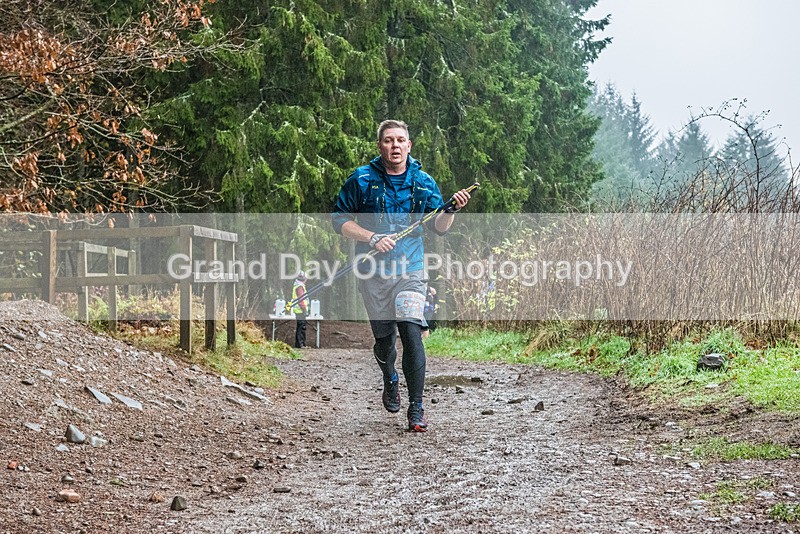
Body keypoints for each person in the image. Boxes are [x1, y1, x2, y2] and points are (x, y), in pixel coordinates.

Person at [332, 119, 471, 432]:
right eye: (388, 141)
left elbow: (438, 228)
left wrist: (450, 211)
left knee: (411, 331)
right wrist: (370, 237)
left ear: (409, 146)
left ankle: (417, 408)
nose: (394, 146)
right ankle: (389, 377)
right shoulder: (362, 179)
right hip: (372, 272)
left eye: (400, 141)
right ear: (380, 145)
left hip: (410, 269)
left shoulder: (423, 182)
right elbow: (339, 220)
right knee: (384, 341)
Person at [291, 271, 308, 348]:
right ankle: (300, 345)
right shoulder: (300, 287)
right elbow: (301, 299)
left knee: (300, 327)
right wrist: (304, 309)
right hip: (300, 310)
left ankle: (300, 344)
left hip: (299, 310)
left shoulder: (298, 285)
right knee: (301, 327)